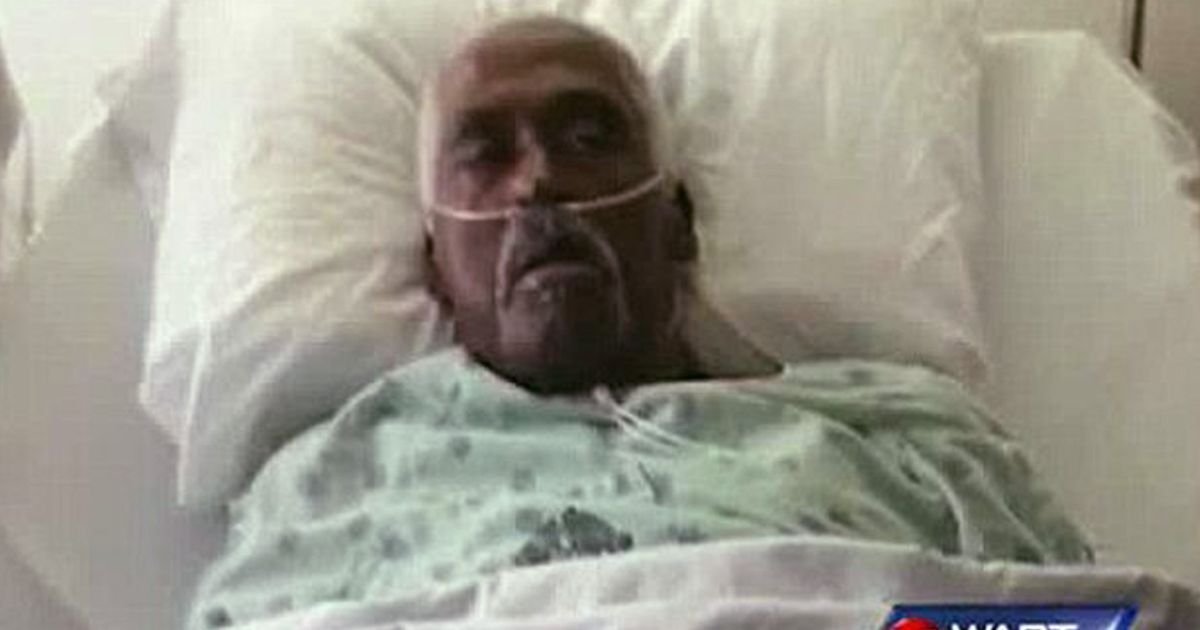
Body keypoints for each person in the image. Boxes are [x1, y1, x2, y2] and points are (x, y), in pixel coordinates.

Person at [187, 16, 1091, 629]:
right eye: (486, 154)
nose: (538, 183)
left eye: (589, 138)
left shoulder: (912, 439)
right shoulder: (334, 482)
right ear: (436, 268)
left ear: (677, 223)